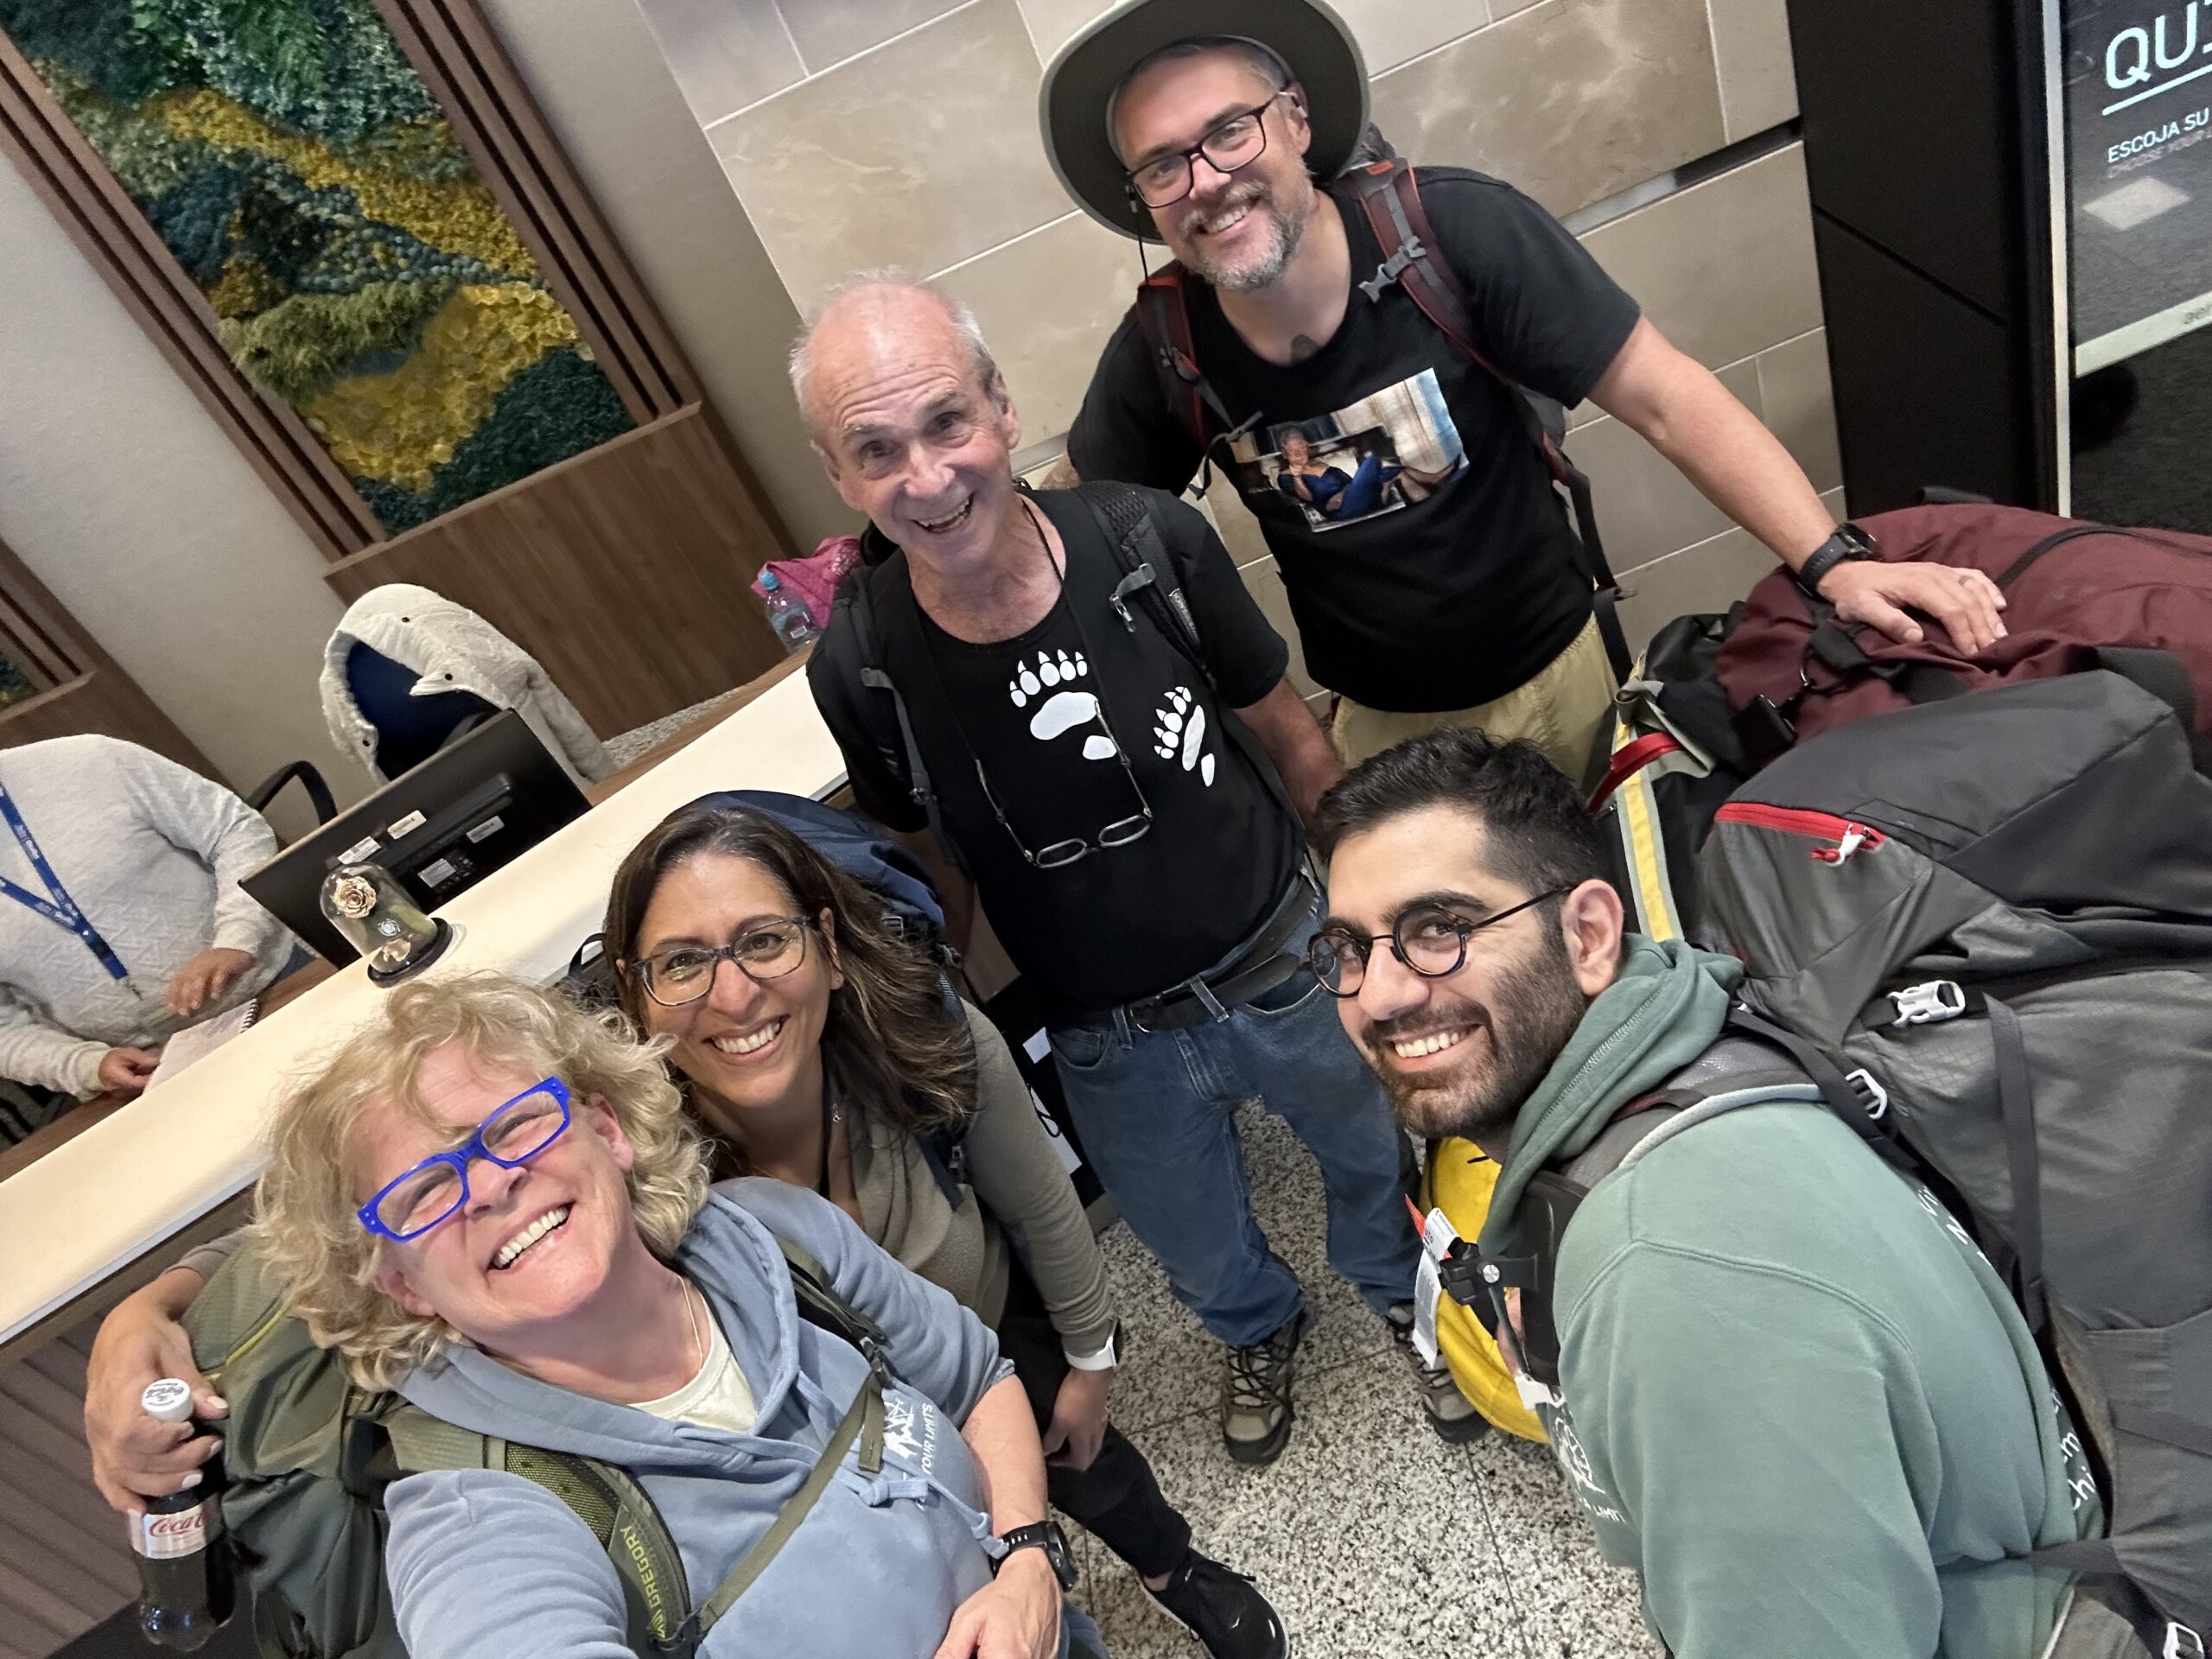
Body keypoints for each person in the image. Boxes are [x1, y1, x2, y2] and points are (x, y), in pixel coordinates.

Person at [85, 801, 1287, 1658]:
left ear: (821, 942)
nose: (732, 992)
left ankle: (1177, 1571)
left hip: (960, 1364)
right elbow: (334, 1235)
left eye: (762, 942)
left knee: (1097, 1475)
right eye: (682, 964)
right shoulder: (621, 1161)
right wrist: (141, 1314)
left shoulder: (910, 1052)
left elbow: (1033, 1232)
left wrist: (1084, 1375)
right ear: (631, 999)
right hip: (912, 1415)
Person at [792, 276, 1450, 1461]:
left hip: (1284, 960)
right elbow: (924, 862)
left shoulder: (1149, 539)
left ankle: (1403, 1290)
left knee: (1372, 1153)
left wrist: (1374, 922)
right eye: (875, 450)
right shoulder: (863, 665)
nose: (928, 479)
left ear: (1000, 407)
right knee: (1192, 1243)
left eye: (948, 423)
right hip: (1106, 1036)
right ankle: (1257, 1325)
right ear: (839, 477)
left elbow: (1290, 732)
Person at [1040, 0, 2009, 777]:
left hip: (1561, 675)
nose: (1206, 180)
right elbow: (1076, 525)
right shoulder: (1164, 346)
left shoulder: (1456, 234)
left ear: (1295, 119)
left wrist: (1834, 563)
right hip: (1388, 736)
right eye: (1164, 165)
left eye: (1229, 132)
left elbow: (1665, 395)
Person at [1308, 729, 2097, 1658]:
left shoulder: (1670, 1275)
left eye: (1438, 930)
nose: (1380, 994)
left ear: (1589, 934)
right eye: (1349, 950)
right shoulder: (1706, 1027)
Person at [147, 973, 1107, 1658]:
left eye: (516, 1125)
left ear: (605, 1129)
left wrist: (1025, 1559)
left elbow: (975, 1381)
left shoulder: (778, 1236)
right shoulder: (478, 1515)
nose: (489, 1186)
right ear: (400, 1286)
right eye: (421, 1196)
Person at [0, 734, 296, 1100]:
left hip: (273, 984)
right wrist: (82, 1064)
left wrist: (237, 937)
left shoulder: (89, 760)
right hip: (158, 1070)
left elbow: (234, 832)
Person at [321, 582, 613, 788]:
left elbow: (351, 751)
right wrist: (610, 780)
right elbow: (555, 710)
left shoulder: (332, 688)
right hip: (551, 789)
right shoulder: (340, 684)